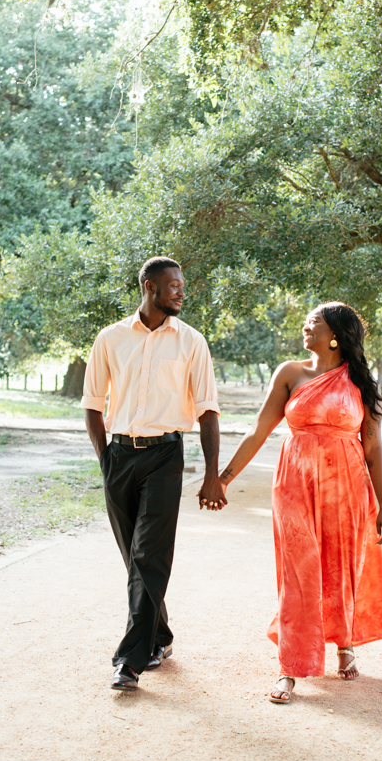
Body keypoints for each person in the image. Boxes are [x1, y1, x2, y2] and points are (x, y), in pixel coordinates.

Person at [199, 301, 382, 703]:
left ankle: (343, 643)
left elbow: (373, 449)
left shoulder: (358, 381)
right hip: (294, 483)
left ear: (336, 336)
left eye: (315, 323)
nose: (306, 327)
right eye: (307, 322)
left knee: (340, 567)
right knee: (297, 571)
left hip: (346, 487)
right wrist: (222, 479)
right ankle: (290, 666)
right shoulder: (290, 373)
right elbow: (259, 431)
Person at [82, 256, 226, 691]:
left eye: (182, 285)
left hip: (166, 457)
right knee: (134, 557)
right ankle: (159, 635)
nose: (181, 292)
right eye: (173, 286)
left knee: (149, 556)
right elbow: (92, 402)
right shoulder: (110, 338)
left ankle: (130, 660)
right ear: (149, 286)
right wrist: (104, 458)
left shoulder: (192, 342)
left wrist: (212, 475)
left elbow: (208, 411)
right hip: (119, 456)